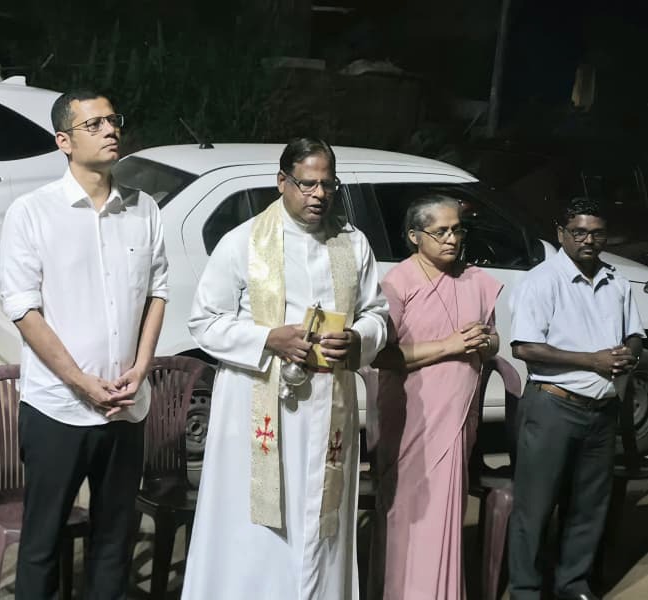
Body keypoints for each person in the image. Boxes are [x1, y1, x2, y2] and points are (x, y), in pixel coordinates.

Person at [181, 138, 389, 600]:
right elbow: (204, 322)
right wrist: (268, 338)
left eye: (327, 184)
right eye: (307, 183)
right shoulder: (243, 242)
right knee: (257, 528)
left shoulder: (352, 244)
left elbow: (377, 313)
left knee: (320, 519)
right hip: (259, 407)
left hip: (328, 406)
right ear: (282, 182)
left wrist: (359, 338)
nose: (319, 194)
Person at [0, 90, 168, 599]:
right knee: (43, 543)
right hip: (58, 409)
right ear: (64, 141)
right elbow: (24, 310)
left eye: (114, 120)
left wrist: (140, 368)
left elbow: (157, 293)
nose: (112, 130)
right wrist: (80, 382)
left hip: (125, 407)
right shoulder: (31, 213)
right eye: (95, 124)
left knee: (115, 539)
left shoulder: (143, 208)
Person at [508, 197, 643, 600]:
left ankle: (573, 584)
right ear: (561, 234)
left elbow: (635, 332)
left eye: (596, 233)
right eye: (579, 232)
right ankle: (526, 589)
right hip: (553, 405)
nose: (588, 240)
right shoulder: (541, 281)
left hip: (601, 409)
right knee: (535, 507)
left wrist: (629, 354)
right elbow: (525, 348)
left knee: (589, 506)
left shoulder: (615, 281)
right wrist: (593, 360)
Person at [371, 194, 502, 599]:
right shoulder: (398, 283)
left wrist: (484, 340)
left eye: (457, 229)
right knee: (409, 513)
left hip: (457, 416)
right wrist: (448, 346)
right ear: (415, 236)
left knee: (447, 512)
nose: (452, 238)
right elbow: (381, 355)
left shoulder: (475, 280)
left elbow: (493, 341)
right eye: (440, 231)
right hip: (414, 417)